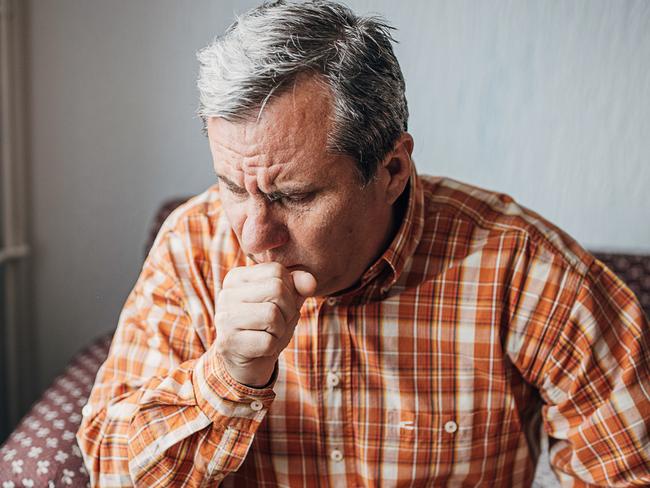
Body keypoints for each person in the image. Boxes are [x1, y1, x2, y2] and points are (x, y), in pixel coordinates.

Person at [77, 1, 650, 486]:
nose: (253, 237)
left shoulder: (525, 270)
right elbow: (109, 467)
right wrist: (224, 376)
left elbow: (628, 468)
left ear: (393, 169)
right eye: (232, 187)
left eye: (295, 196)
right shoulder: (191, 248)